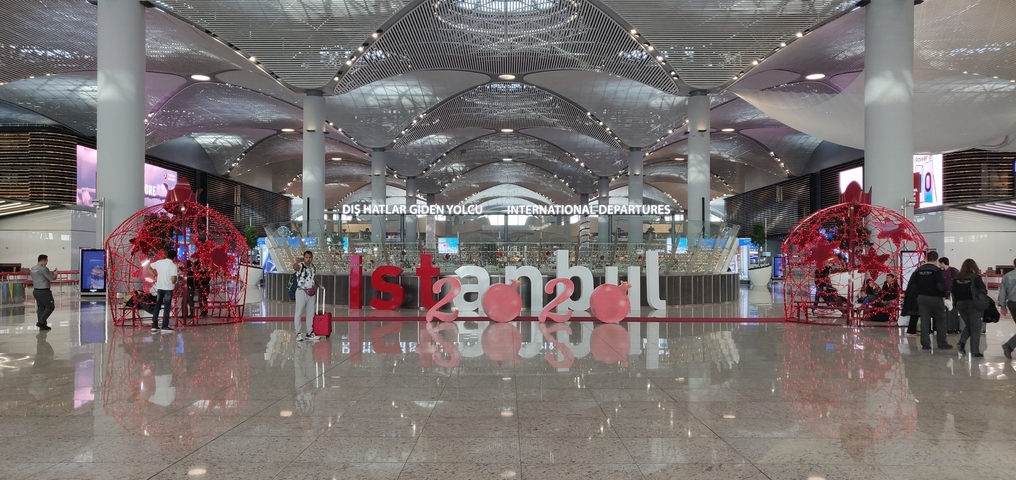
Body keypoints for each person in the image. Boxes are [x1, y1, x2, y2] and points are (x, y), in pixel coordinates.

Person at [903, 250, 952, 351]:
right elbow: (940, 285)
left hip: (922, 298)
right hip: (935, 298)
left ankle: (925, 344)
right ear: (936, 259)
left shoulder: (918, 270)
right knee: (940, 320)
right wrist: (944, 295)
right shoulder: (936, 270)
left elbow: (912, 286)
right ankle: (942, 343)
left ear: (926, 258)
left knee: (925, 321)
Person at [952, 259, 988, 357]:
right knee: (976, 328)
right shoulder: (975, 277)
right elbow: (983, 290)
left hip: (960, 304)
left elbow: (953, 292)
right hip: (973, 304)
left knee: (969, 325)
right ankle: (975, 351)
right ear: (974, 267)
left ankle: (962, 343)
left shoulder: (956, 278)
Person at [146, 250, 179, 333]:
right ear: (174, 257)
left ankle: (155, 325)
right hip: (168, 288)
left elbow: (148, 267)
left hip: (159, 287)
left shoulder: (160, 262)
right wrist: (175, 281)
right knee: (167, 307)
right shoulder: (173, 266)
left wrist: (155, 276)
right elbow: (173, 279)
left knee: (158, 305)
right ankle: (164, 326)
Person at [292, 250, 319, 342]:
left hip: (311, 291)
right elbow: (295, 268)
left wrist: (318, 285)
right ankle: (298, 333)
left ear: (312, 258)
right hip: (301, 291)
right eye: (306, 257)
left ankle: (309, 333)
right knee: (299, 313)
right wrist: (296, 262)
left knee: (310, 313)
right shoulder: (301, 265)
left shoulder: (313, 267)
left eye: (310, 257)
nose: (308, 259)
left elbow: (312, 278)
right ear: (304, 257)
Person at [29, 254, 57, 331]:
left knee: (41, 307)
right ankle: (41, 322)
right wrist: (55, 274)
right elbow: (51, 279)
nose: (47, 262)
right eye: (47, 260)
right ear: (44, 260)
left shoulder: (33, 268)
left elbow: (40, 276)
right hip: (44, 290)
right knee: (50, 306)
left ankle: (42, 325)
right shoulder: (44, 269)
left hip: (36, 290)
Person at [997, 258, 1016, 359]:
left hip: (1012, 304)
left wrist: (1003, 306)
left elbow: (1002, 292)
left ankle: (1009, 346)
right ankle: (1009, 345)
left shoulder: (1007, 276)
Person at [940, 257, 962, 333]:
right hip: (945, 293)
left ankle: (953, 326)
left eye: (940, 263)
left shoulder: (953, 271)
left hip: (952, 293)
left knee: (953, 308)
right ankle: (949, 326)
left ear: (943, 263)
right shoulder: (941, 272)